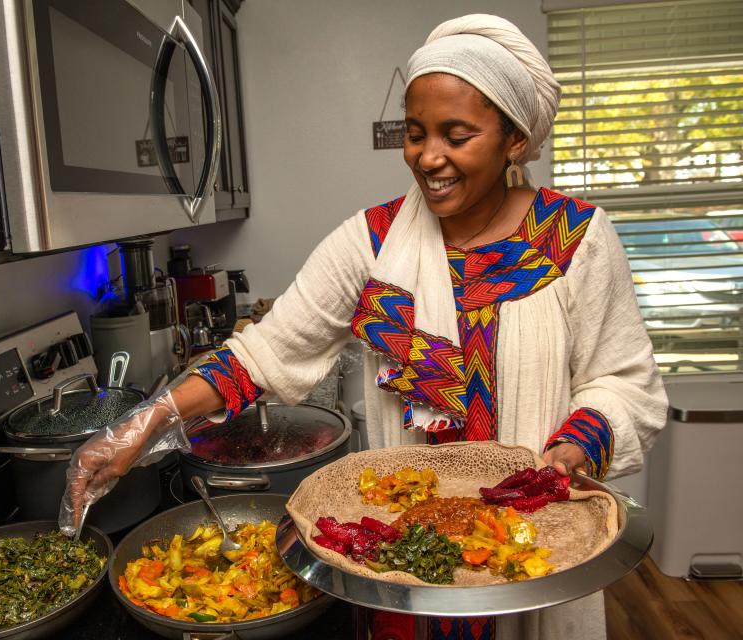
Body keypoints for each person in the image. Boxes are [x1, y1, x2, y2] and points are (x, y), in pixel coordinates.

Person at [61, 13, 668, 640]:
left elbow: (622, 382)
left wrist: (571, 450)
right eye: (415, 133)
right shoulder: (371, 243)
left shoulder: (575, 240)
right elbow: (262, 354)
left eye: (456, 135)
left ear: (514, 139)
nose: (428, 157)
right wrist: (142, 425)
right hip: (403, 557)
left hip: (533, 549)